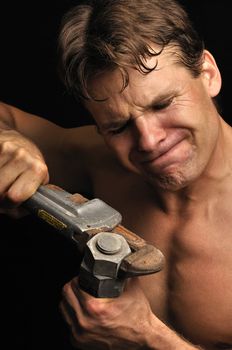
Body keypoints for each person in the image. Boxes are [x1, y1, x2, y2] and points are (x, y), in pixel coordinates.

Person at [0, 0, 231, 349]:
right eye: (119, 127)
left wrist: (148, 337)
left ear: (208, 74)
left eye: (162, 103)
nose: (150, 141)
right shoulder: (98, 158)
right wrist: (11, 142)